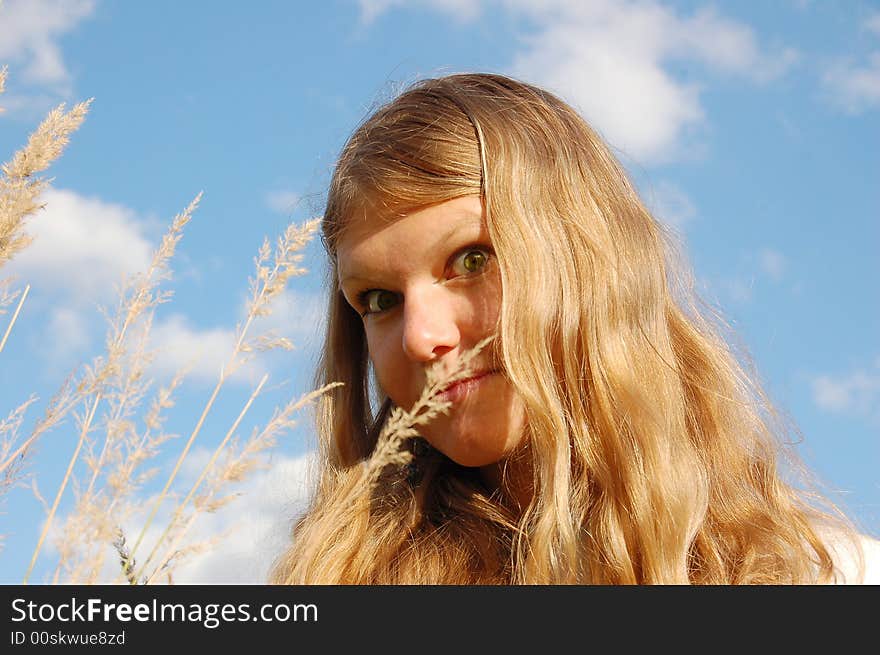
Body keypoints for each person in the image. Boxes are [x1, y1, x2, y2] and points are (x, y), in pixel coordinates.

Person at [271, 72, 879, 584]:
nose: (420, 337)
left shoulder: (828, 573)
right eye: (379, 299)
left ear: (589, 262)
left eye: (472, 260)